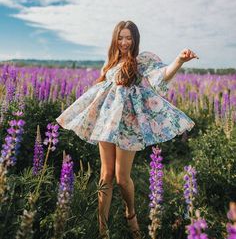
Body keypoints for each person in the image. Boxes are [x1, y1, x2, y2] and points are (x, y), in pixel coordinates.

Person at [56, 20, 199, 239]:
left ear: (135, 40)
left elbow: (163, 75)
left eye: (129, 38)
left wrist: (179, 60)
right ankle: (102, 229)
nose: (124, 42)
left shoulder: (142, 61)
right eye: (120, 37)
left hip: (129, 126)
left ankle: (130, 213)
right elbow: (101, 90)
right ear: (115, 39)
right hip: (107, 122)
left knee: (122, 178)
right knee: (106, 174)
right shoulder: (110, 62)